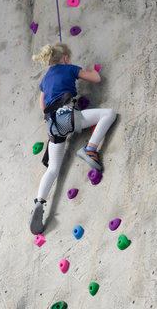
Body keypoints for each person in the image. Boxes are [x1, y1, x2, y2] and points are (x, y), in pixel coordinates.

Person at [30, 43, 116, 234]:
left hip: (52, 126)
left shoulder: (44, 80)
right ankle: (91, 149)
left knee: (52, 168)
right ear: (66, 58)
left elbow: (43, 106)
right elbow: (95, 78)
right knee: (108, 114)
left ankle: (39, 202)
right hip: (67, 116)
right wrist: (90, 69)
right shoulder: (70, 68)